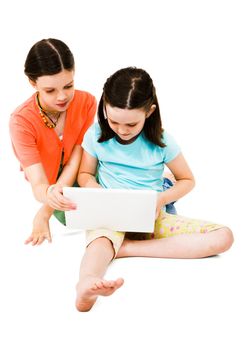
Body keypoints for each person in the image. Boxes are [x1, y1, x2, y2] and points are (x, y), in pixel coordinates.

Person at [75, 67, 234, 312]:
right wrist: (96, 190)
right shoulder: (96, 135)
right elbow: (84, 174)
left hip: (150, 216)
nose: (121, 129)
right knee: (99, 243)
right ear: (104, 106)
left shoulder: (162, 141)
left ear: (149, 112)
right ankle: (85, 286)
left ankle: (126, 249)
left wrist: (161, 199)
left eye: (131, 123)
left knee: (224, 237)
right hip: (110, 218)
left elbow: (187, 180)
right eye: (114, 120)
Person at [9, 38, 97, 243]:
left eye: (69, 85)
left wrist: (44, 213)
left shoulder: (86, 102)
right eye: (50, 90)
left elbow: (78, 158)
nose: (62, 97)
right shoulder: (21, 121)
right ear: (33, 83)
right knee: (74, 215)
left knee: (119, 192)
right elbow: (38, 184)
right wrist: (50, 197)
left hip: (85, 167)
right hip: (53, 185)